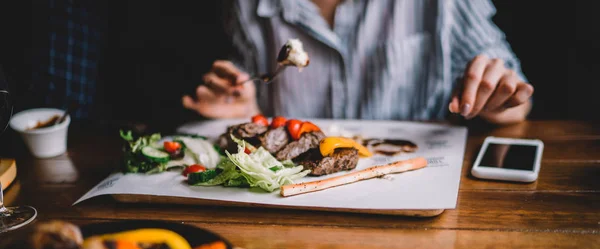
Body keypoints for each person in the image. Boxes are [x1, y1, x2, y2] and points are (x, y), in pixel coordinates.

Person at [183, 0, 534, 125]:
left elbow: (517, 102)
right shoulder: (246, 6)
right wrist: (243, 107)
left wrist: (497, 96)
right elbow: (257, 93)